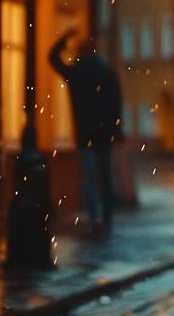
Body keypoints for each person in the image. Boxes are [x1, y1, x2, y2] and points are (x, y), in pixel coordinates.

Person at [49, 28, 123, 236]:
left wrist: (63, 38)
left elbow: (53, 59)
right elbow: (116, 104)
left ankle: (95, 218)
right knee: (105, 176)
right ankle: (107, 218)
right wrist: (117, 132)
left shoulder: (76, 72)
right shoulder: (107, 73)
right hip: (104, 134)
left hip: (85, 135)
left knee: (89, 179)